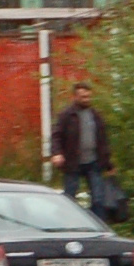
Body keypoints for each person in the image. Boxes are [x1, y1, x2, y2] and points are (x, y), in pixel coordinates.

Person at [50, 83, 113, 218]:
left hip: (94, 162)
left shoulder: (95, 115)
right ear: (75, 97)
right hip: (73, 163)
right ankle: (67, 224)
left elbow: (103, 141)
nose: (86, 100)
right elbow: (56, 135)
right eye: (83, 97)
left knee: (98, 198)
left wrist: (108, 164)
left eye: (88, 97)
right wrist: (57, 153)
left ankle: (98, 227)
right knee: (70, 198)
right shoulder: (66, 115)